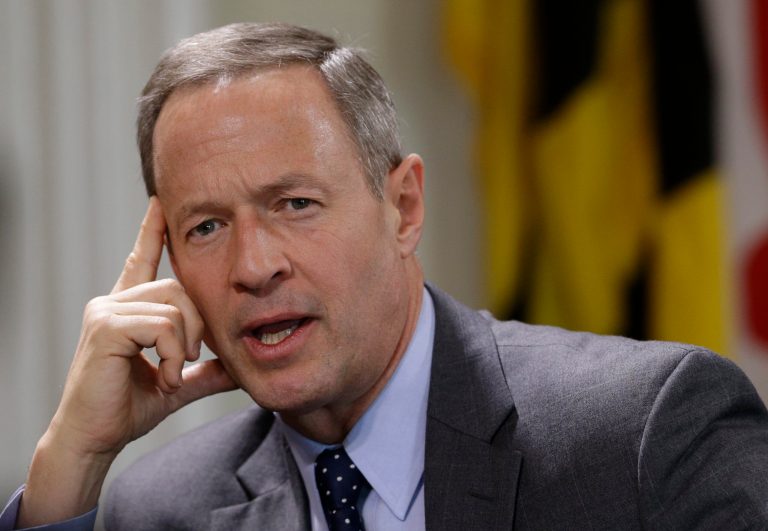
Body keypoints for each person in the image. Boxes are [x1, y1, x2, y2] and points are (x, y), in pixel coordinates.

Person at [2, 21, 768, 530]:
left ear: (402, 206)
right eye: (205, 226)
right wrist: (71, 464)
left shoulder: (643, 435)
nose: (254, 265)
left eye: (295, 203)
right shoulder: (161, 509)